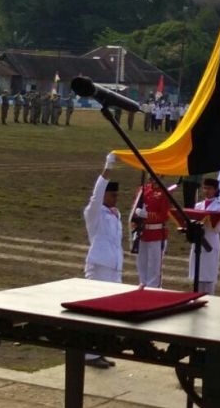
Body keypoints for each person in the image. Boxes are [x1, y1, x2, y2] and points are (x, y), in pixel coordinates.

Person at [82, 153, 123, 369]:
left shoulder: (115, 214)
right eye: (113, 195)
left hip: (113, 268)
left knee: (108, 314)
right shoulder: (94, 213)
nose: (116, 199)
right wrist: (107, 168)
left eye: (117, 196)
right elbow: (96, 196)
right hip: (99, 267)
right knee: (94, 312)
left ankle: (99, 350)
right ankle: (88, 353)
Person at [132, 177, 172, 288]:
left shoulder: (164, 193)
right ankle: (142, 286)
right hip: (142, 233)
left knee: (154, 268)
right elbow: (134, 208)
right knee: (142, 265)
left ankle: (153, 289)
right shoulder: (142, 189)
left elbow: (164, 215)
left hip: (156, 233)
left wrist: (147, 215)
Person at [189, 178, 220, 295]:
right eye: (205, 188)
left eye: (209, 188)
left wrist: (205, 220)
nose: (206, 191)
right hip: (198, 242)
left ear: (215, 190)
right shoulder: (198, 205)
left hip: (210, 241)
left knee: (209, 276)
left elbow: (217, 228)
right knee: (197, 275)